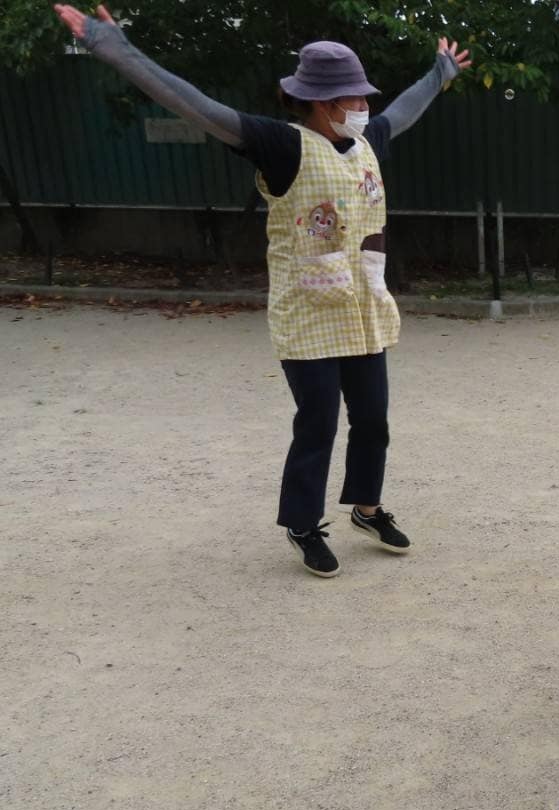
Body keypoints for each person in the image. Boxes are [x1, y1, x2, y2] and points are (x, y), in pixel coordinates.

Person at [53, 4, 471, 577]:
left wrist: (440, 74)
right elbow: (195, 106)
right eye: (355, 99)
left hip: (362, 310)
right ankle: (303, 524)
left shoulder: (368, 140)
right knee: (319, 422)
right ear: (324, 104)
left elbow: (405, 110)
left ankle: (366, 508)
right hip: (307, 316)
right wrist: (114, 47)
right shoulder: (281, 145)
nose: (365, 107)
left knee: (373, 417)